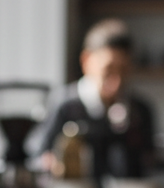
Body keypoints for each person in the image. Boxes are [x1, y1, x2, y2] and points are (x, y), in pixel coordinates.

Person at [34, 19, 155, 179]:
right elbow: (39, 154)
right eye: (108, 71)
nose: (116, 83)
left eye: (124, 71)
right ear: (86, 61)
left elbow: (147, 162)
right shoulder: (65, 105)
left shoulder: (139, 110)